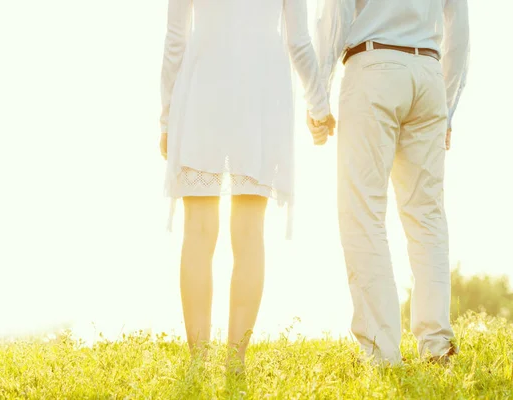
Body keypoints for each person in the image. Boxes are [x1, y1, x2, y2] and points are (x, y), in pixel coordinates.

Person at [159, 0, 334, 370]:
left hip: (205, 81)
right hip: (261, 89)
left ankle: (197, 362)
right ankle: (235, 361)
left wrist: (165, 117)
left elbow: (176, 37)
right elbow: (298, 40)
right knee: (250, 233)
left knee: (199, 229)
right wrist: (319, 106)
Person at [312, 0, 470, 364]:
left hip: (373, 66)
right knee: (427, 217)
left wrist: (318, 97)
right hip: (428, 71)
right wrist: (447, 106)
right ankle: (437, 346)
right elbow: (458, 29)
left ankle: (381, 352)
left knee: (363, 212)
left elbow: (334, 15)